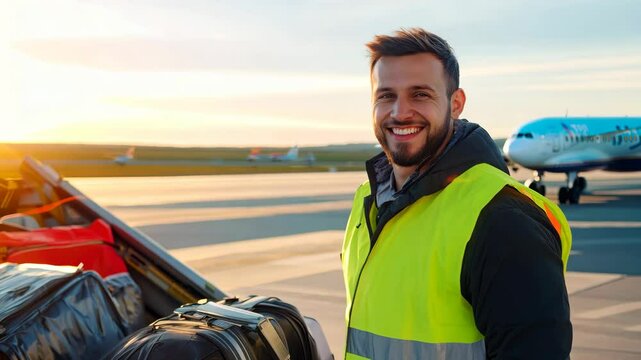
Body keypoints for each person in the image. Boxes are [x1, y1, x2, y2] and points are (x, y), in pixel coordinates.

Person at [341, 28, 572, 359]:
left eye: (420, 94)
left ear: (456, 103)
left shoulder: (503, 220)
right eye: (386, 95)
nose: (400, 112)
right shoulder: (368, 201)